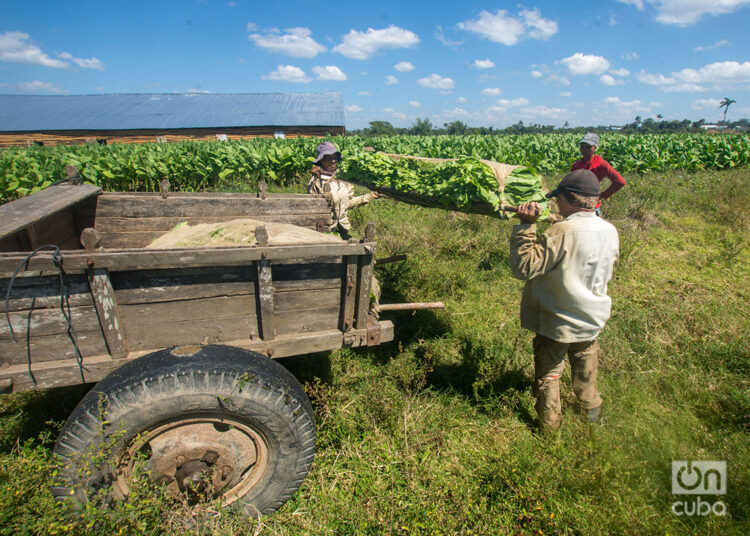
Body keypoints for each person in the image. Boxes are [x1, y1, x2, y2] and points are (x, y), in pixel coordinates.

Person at [509, 169, 619, 430]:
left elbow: (523, 268)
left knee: (550, 374)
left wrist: (526, 225)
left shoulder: (561, 231)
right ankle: (592, 413)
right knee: (585, 369)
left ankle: (549, 429)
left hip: (558, 322)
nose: (556, 204)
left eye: (558, 199)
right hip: (592, 319)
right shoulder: (609, 230)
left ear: (569, 200)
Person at [307, 141, 379, 239]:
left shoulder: (343, 180)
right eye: (329, 158)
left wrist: (368, 196)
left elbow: (347, 203)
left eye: (334, 158)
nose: (333, 161)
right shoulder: (317, 180)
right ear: (321, 161)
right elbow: (313, 207)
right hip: (325, 229)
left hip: (343, 227)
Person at [571, 132, 625, 212]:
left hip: (591, 207)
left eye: (588, 147)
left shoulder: (601, 164)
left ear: (595, 147)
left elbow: (620, 181)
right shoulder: (576, 165)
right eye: (582, 146)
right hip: (577, 205)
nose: (584, 149)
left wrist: (603, 195)